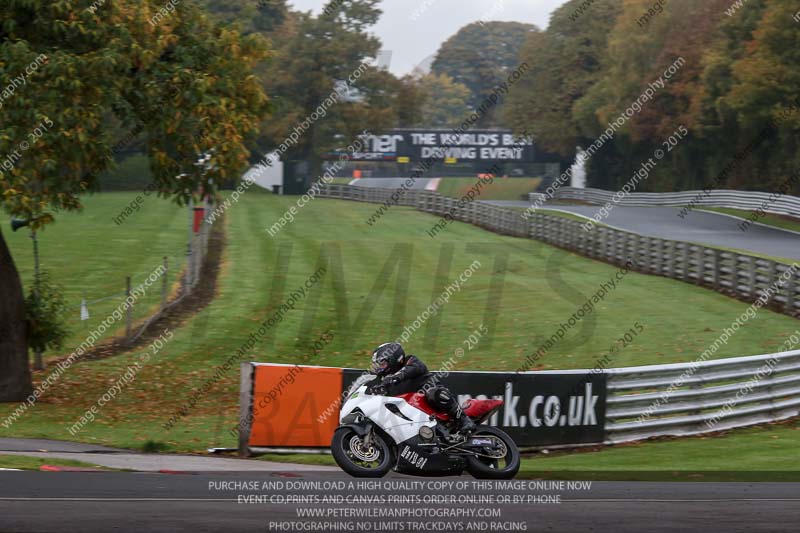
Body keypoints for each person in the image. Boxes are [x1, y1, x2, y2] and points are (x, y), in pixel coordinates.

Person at [370, 342, 476, 435]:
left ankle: (463, 420)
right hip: (415, 419)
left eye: (382, 364)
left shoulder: (411, 361)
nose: (380, 368)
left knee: (434, 393)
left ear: (394, 359)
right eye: (378, 365)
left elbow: (411, 369)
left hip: (433, 405)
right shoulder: (387, 383)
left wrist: (395, 377)